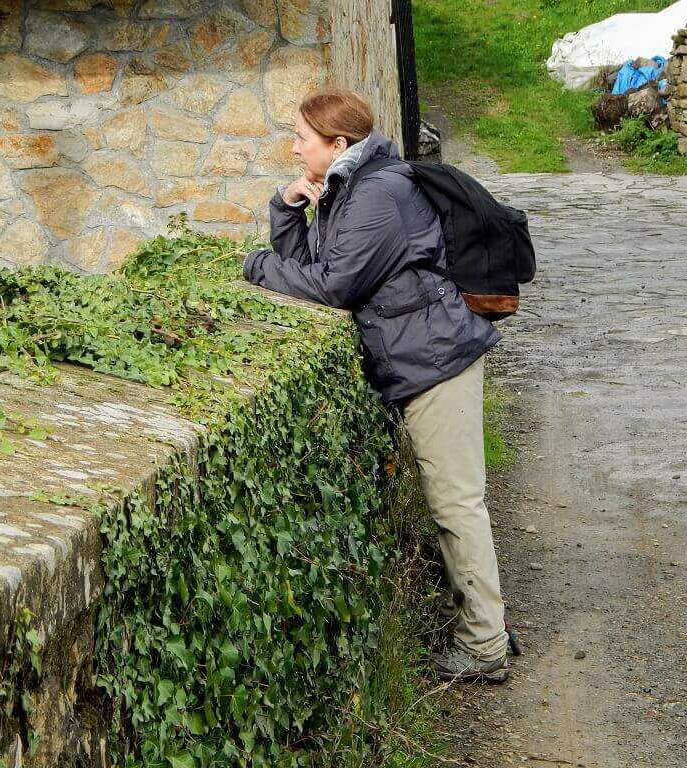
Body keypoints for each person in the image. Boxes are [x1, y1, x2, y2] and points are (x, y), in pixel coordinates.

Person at [242, 87, 510, 684]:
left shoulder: (377, 197)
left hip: (438, 361)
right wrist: (288, 209)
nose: (293, 148)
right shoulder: (350, 187)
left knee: (457, 504)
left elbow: (332, 286)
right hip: (418, 358)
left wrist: (254, 265)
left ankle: (486, 645)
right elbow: (311, 269)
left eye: (301, 139)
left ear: (338, 145)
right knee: (454, 502)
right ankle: (480, 619)